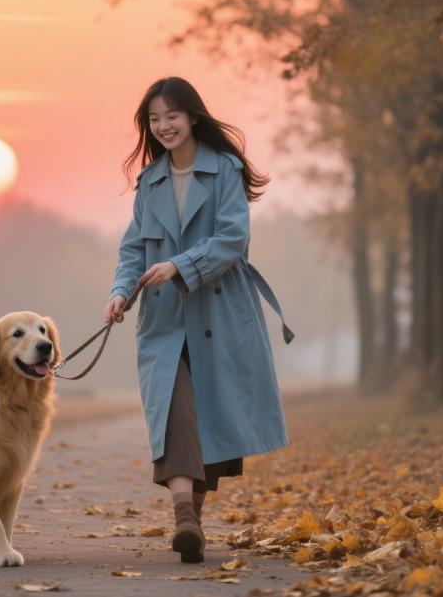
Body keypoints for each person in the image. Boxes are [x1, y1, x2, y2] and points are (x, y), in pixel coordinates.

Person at [104, 76, 293, 564]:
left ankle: (192, 520)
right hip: (165, 319)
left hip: (221, 312)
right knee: (175, 411)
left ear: (192, 116)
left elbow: (232, 239)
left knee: (207, 418)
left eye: (171, 115)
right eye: (154, 119)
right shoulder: (150, 182)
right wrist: (121, 292)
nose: (164, 125)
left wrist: (180, 266)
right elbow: (132, 250)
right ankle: (184, 516)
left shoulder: (225, 170)